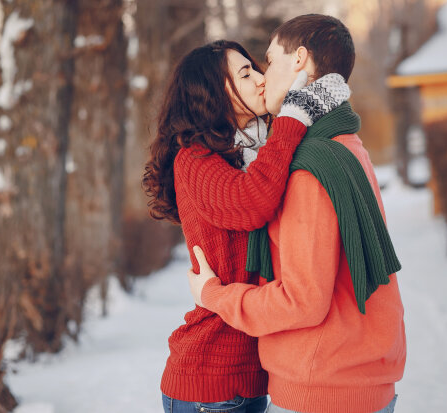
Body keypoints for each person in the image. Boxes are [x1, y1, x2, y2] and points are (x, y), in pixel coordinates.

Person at [187, 15, 406, 413]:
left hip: (320, 386)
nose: (264, 77)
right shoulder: (346, 142)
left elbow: (302, 301)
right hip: (360, 378)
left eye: (269, 62)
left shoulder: (308, 165)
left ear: (300, 60)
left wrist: (214, 295)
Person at [143, 39, 351, 413]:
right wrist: (293, 116)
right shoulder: (193, 159)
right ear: (210, 92)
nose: (259, 79)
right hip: (211, 379)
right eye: (245, 73)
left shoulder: (250, 154)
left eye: (256, 68)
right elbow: (251, 202)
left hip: (254, 377)